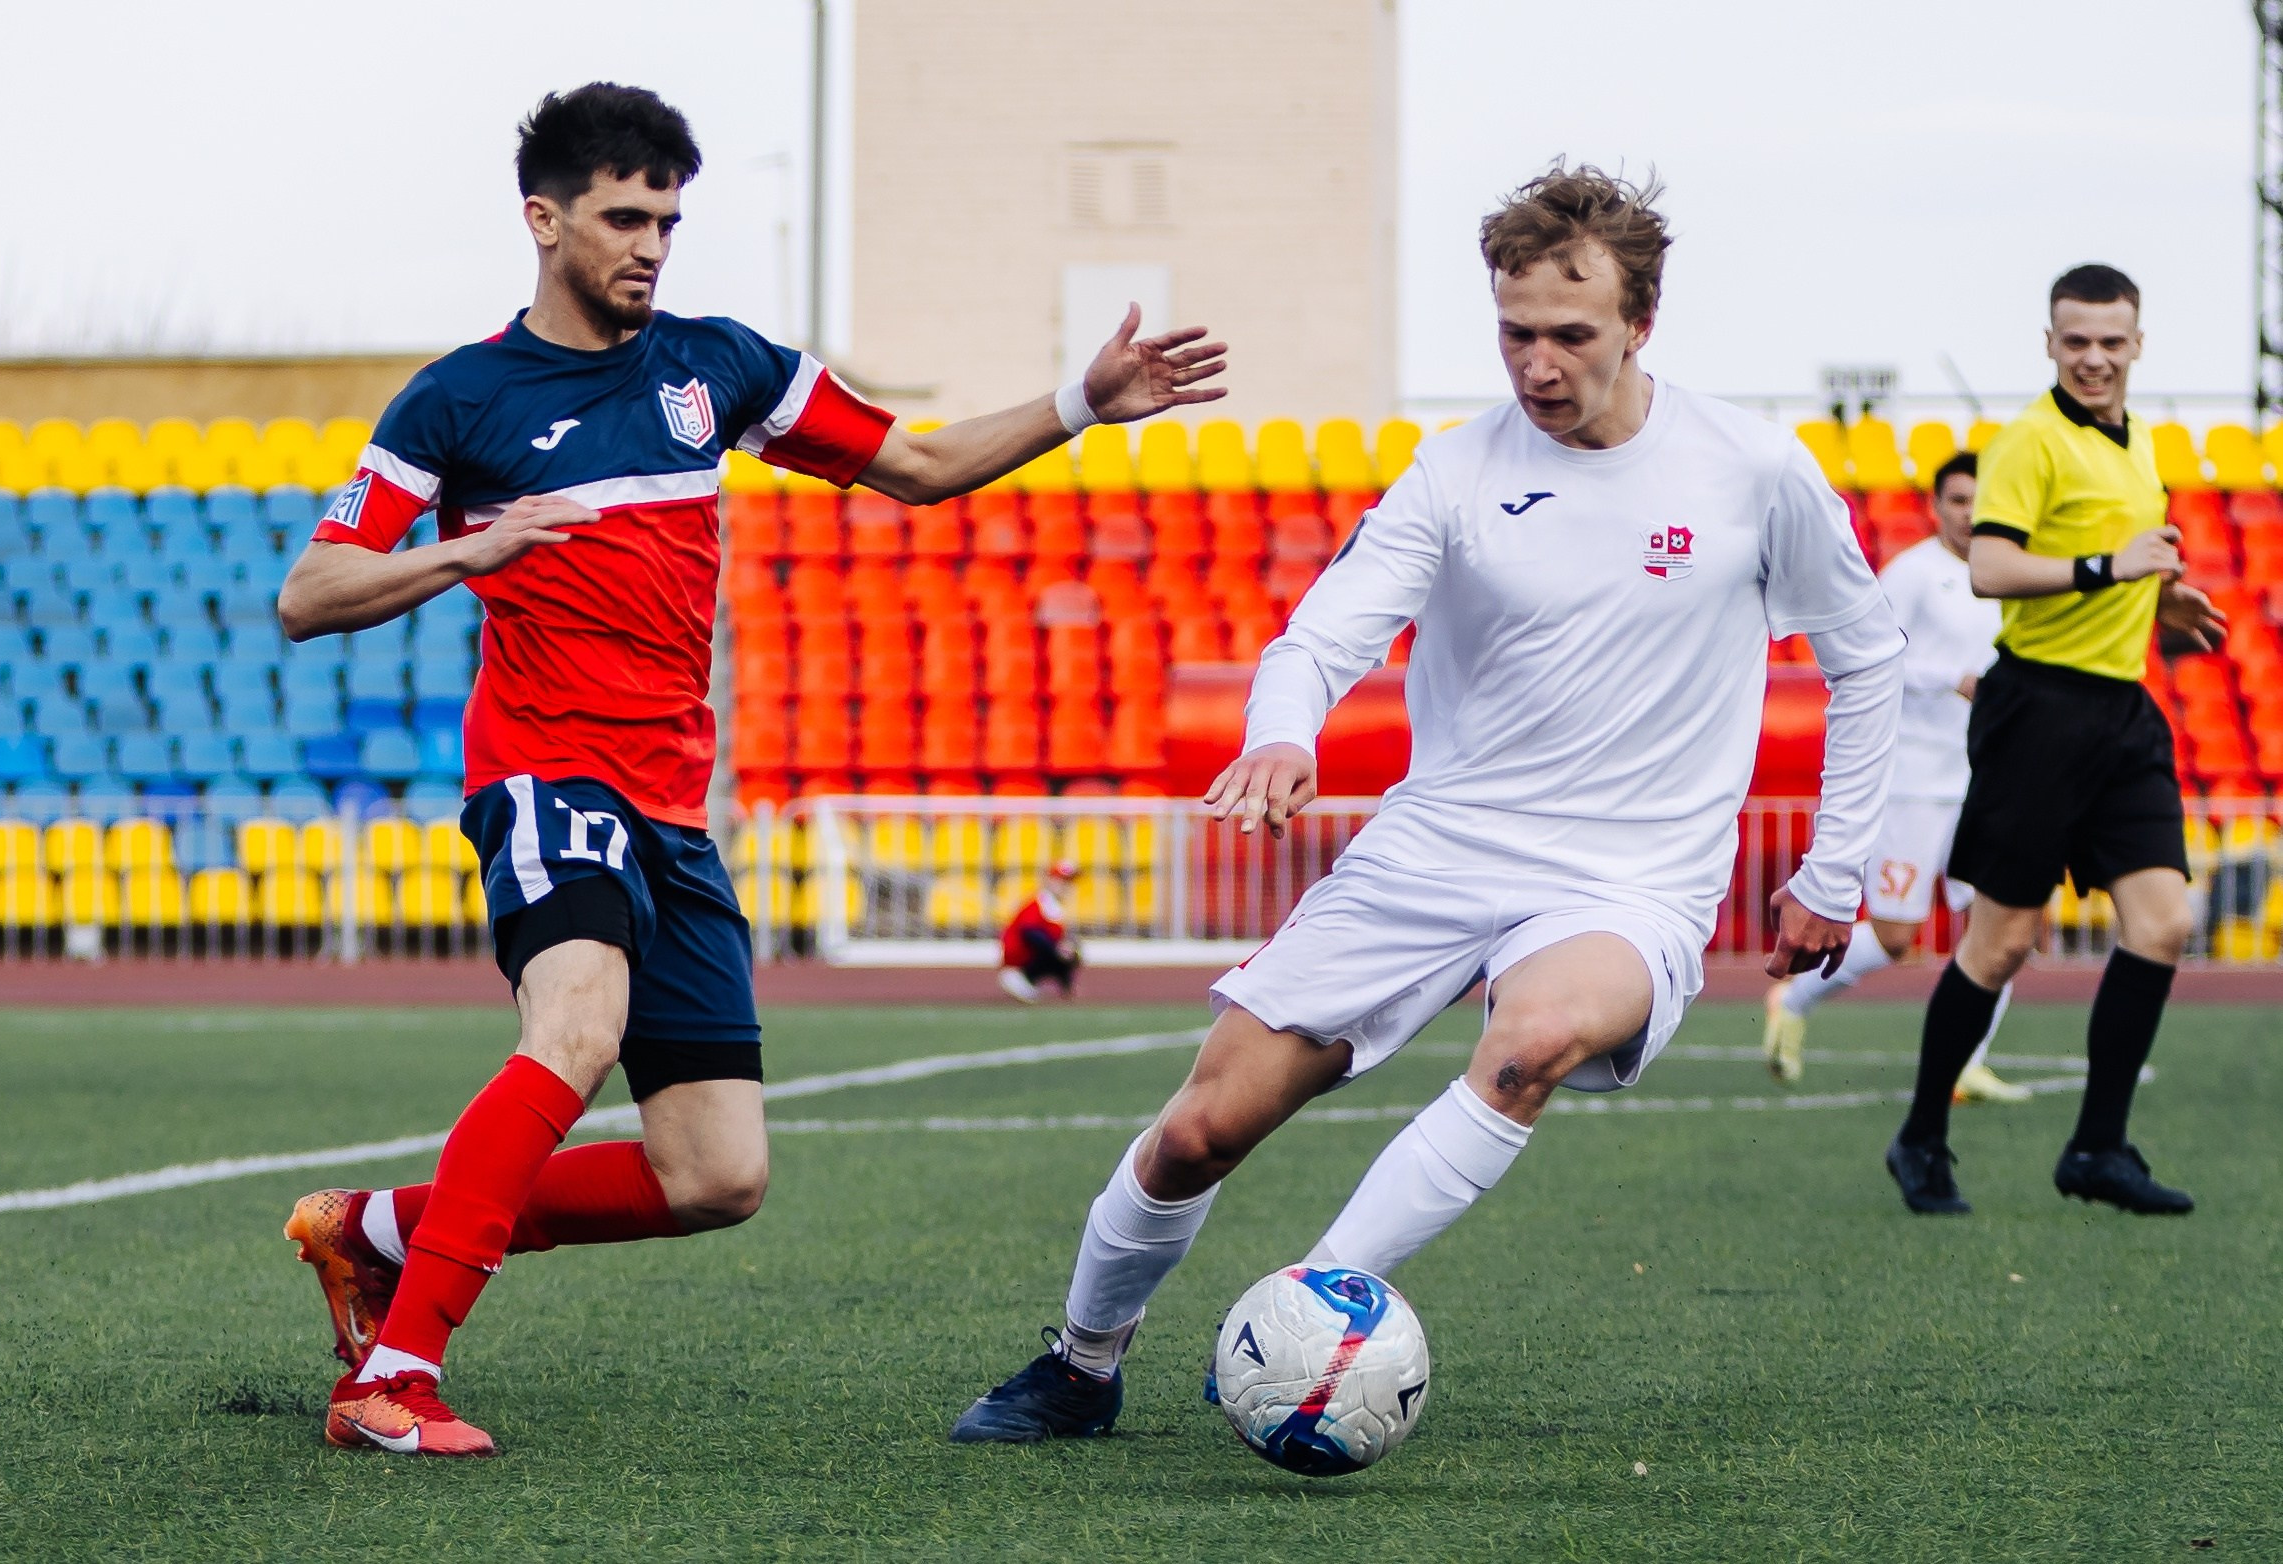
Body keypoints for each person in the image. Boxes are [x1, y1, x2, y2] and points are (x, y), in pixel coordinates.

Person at [274, 82, 1228, 1456]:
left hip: (672, 811)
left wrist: (1086, 400)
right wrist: (468, 550)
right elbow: (310, 593)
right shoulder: (461, 399)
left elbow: (915, 464)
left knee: (715, 1174)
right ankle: (393, 1381)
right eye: (623, 217)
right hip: (548, 777)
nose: (652, 244)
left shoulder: (717, 367)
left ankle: (372, 1232)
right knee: (574, 1031)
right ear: (543, 219)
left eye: (667, 220)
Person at [949, 165, 1905, 1444]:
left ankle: (1308, 1318)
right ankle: (1081, 1363)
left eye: (1571, 333)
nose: (1539, 363)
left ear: (1641, 322)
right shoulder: (1454, 471)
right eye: (1515, 332)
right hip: (1438, 846)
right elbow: (1319, 636)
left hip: (1632, 879)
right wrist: (1283, 734)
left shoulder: (1755, 470)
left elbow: (1868, 660)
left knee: (1529, 1044)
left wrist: (1833, 869)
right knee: (1200, 1130)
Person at [1886, 264, 2224, 1217]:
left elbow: (2124, 568)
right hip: (2035, 712)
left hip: (2123, 711)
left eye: (2112, 341)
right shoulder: (2028, 441)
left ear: (2138, 344)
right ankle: (1921, 1138)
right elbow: (1991, 567)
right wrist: (2112, 565)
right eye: (2076, 340)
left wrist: (2162, 603)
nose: (2094, 357)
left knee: (2164, 925)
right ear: (2050, 343)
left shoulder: (2142, 440)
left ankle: (2097, 1148)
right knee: (2000, 945)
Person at [1763, 452, 2025, 1103]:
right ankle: (1793, 1000)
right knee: (1894, 937)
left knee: (2003, 926)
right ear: (1935, 506)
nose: (1969, 513)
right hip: (1915, 782)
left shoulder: (2007, 574)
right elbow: (1872, 656)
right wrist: (1950, 679)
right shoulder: (1912, 574)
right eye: (1958, 500)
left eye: (1980, 500)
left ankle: (1967, 1062)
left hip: (1985, 781)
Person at [999, 859, 1081, 1002]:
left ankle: (1035, 982)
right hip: (1019, 960)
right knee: (1063, 951)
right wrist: (1056, 949)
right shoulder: (1039, 903)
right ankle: (1020, 978)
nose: (1067, 887)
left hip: (1031, 957)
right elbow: (1030, 932)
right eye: (1063, 881)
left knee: (1071, 950)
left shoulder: (1053, 906)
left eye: (1069, 882)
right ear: (1050, 880)